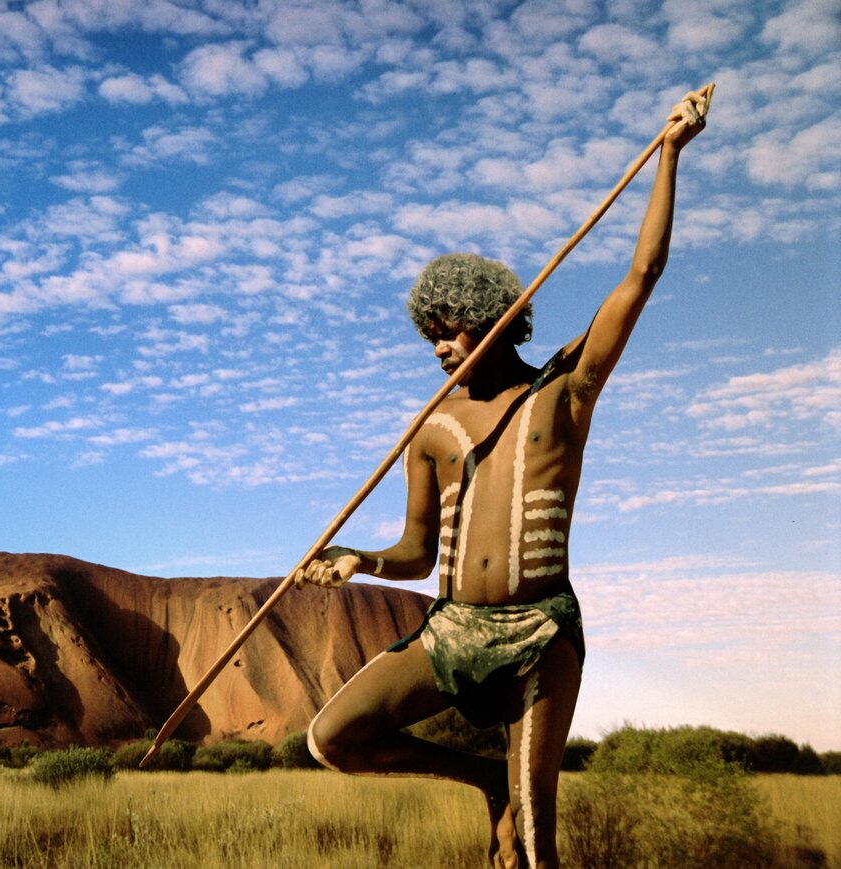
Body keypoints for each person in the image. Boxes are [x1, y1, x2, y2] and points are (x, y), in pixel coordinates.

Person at [291, 89, 709, 869]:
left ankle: (514, 802)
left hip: (540, 631)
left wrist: (669, 154)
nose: (441, 349)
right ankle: (484, 777)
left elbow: (641, 272)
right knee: (331, 737)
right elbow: (415, 552)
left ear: (492, 316)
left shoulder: (565, 389)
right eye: (431, 336)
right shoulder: (433, 429)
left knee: (533, 850)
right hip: (452, 629)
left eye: (450, 330)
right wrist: (360, 560)